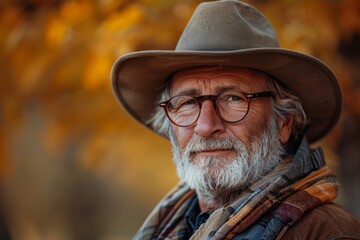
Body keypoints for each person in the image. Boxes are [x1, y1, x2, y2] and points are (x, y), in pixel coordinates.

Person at [110, 0, 360, 239]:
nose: (206, 127)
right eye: (187, 103)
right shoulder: (170, 227)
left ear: (284, 123)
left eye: (233, 99)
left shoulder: (330, 233)